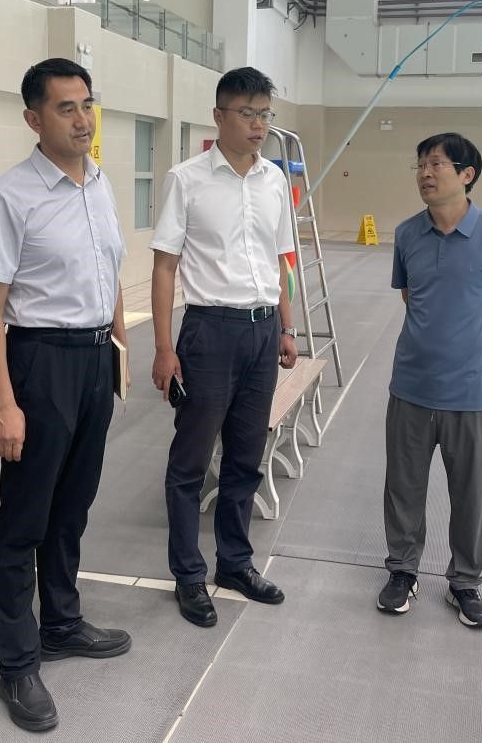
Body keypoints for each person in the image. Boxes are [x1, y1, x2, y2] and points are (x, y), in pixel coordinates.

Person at [0, 58, 131, 733]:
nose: (82, 119)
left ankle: (61, 623)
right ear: (33, 118)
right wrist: (4, 404)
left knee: (72, 507)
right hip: (39, 361)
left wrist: (118, 342)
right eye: (66, 107)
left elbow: (110, 269)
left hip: (94, 360)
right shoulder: (9, 197)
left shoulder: (100, 184)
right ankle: (17, 661)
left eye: (87, 104)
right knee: (25, 519)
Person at [150, 66, 298, 628]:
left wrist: (286, 328)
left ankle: (234, 563)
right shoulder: (186, 179)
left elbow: (280, 261)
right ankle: (189, 574)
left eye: (265, 114)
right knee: (191, 462)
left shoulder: (274, 181)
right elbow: (165, 267)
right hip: (208, 331)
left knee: (244, 457)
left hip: (262, 333)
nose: (259, 125)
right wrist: (164, 348)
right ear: (219, 116)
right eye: (247, 113)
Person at [376, 132, 482, 627]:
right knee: (403, 487)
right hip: (411, 385)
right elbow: (411, 297)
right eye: (420, 164)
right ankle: (402, 571)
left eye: (436, 164)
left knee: (471, 493)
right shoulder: (406, 235)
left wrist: (473, 348)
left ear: (466, 174)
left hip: (470, 392)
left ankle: (465, 582)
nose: (425, 173)